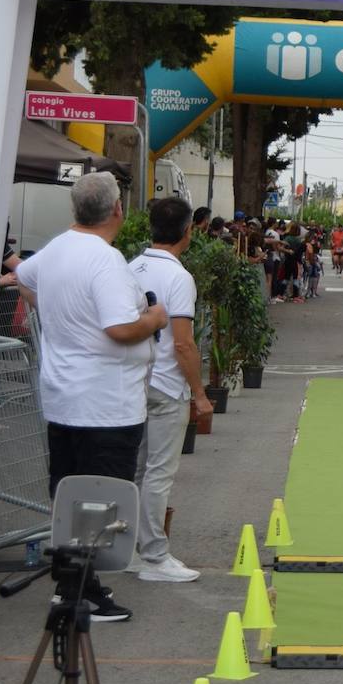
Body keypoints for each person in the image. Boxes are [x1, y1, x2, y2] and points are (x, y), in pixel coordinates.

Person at [15, 171, 168, 622]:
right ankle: (80, 591)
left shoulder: (56, 249)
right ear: (118, 209)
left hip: (64, 397)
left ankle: (70, 586)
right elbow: (121, 329)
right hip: (107, 402)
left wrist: (60, 313)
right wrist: (156, 318)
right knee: (104, 497)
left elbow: (23, 278)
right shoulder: (105, 260)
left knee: (67, 494)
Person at [127, 197, 213, 583]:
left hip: (132, 380)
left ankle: (129, 550)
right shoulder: (178, 277)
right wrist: (199, 392)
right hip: (165, 383)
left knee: (137, 470)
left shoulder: (130, 268)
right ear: (188, 231)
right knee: (159, 472)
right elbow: (183, 343)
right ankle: (154, 555)